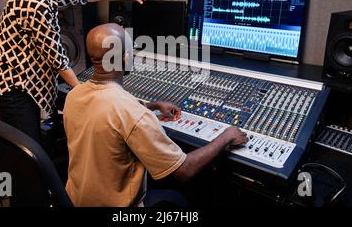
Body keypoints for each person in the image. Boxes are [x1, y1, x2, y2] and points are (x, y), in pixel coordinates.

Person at [63, 23, 249, 207]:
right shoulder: (134, 115)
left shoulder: (74, 95)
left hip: (76, 200)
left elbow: (105, 109)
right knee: (178, 199)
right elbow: (183, 171)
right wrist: (225, 137)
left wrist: (152, 106)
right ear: (126, 59)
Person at [0, 0, 152, 142]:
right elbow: (57, 58)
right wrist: (85, 92)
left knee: (42, 143)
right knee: (29, 152)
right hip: (13, 88)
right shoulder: (36, 2)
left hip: (28, 82)